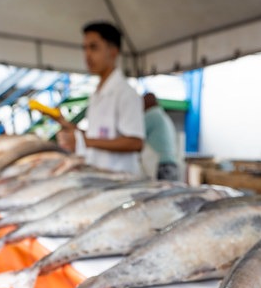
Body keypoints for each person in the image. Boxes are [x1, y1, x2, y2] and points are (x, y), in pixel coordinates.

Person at [56, 21, 145, 174]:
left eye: (94, 47)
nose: (87, 55)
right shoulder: (97, 93)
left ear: (113, 51)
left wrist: (83, 141)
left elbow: (135, 142)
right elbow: (97, 136)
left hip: (120, 181)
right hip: (99, 176)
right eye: (84, 48)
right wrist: (65, 124)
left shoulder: (125, 92)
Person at [142, 92, 181, 180]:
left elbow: (136, 137)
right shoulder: (163, 115)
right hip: (172, 164)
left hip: (161, 164)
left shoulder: (151, 115)